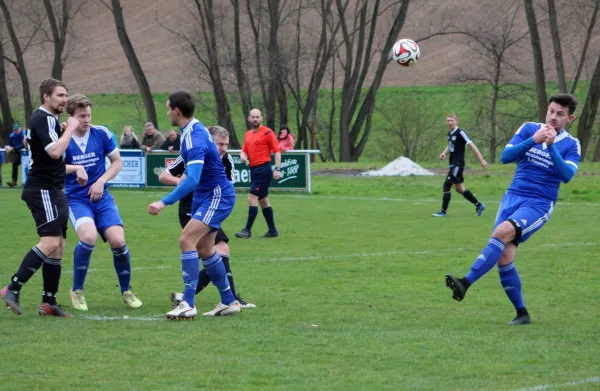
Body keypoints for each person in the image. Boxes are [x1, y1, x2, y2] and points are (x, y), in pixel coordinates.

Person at [445, 94, 581, 325]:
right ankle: (522, 313)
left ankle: (465, 282)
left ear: (570, 118)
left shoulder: (571, 144)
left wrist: (550, 147)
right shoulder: (529, 129)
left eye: (560, 114)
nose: (553, 117)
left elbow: (566, 176)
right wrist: (534, 140)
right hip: (512, 197)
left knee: (500, 234)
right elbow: (506, 156)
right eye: (551, 111)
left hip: (538, 203)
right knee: (504, 256)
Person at [148, 90, 240, 319]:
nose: (167, 112)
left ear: (176, 111)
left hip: (217, 195)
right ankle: (229, 301)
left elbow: (193, 178)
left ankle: (187, 303)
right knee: (205, 249)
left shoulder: (194, 137)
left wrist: (163, 202)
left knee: (186, 240)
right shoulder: (193, 129)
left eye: (168, 108)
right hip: (209, 196)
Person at [1, 78, 79, 317]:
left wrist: (76, 166)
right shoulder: (43, 118)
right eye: (60, 96)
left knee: (59, 246)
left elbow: (46, 156)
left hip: (52, 188)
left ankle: (49, 302)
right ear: (46, 96)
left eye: (66, 95)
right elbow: (55, 153)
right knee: (50, 242)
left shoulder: (49, 121)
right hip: (42, 189)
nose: (65, 100)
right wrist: (72, 129)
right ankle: (12, 288)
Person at [159, 125, 256, 309]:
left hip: (210, 207)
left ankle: (204, 298)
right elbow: (163, 176)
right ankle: (224, 298)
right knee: (215, 248)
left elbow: (225, 189)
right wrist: (178, 180)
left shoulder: (227, 160)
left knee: (212, 250)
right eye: (219, 144)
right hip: (190, 208)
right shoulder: (193, 153)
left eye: (226, 144)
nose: (223, 148)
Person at [63, 94, 143, 311]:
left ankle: (126, 291)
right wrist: (75, 169)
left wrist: (100, 181)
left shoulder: (102, 133)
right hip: (76, 198)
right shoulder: (63, 137)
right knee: (88, 237)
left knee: (118, 241)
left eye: (88, 115)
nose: (86, 120)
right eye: (81, 116)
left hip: (102, 197)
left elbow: (117, 162)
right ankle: (77, 290)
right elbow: (50, 167)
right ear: (70, 117)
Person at [235, 108, 281, 239]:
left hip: (263, 169)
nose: (255, 119)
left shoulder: (267, 133)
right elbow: (244, 150)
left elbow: (277, 151)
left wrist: (277, 169)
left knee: (252, 197)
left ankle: (247, 230)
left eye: (257, 117)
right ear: (249, 118)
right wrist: (243, 156)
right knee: (263, 201)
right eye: (253, 117)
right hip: (254, 170)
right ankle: (273, 231)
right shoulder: (248, 134)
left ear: (261, 118)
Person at [432, 114, 488, 217]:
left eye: (451, 120)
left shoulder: (460, 132)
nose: (449, 122)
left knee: (447, 185)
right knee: (459, 189)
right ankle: (479, 205)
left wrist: (482, 160)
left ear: (456, 121)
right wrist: (444, 152)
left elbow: (472, 145)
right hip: (452, 164)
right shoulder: (450, 133)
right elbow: (450, 145)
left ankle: (443, 211)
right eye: (448, 121)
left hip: (458, 164)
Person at [5, 122, 26, 187]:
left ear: (20, 128)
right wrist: (7, 146)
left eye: (17, 129)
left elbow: (24, 144)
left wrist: (13, 148)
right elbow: (9, 144)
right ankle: (14, 182)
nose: (16, 130)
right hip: (19, 154)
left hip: (28, 154)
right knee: (15, 164)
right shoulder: (12, 136)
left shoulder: (24, 134)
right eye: (15, 129)